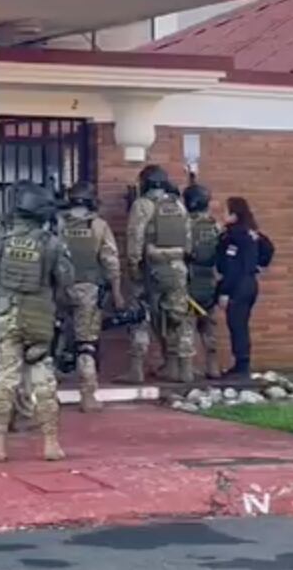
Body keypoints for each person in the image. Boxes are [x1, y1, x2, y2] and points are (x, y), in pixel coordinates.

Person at [0, 181, 75, 462]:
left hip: (6, 315)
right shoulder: (52, 243)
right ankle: (51, 443)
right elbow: (66, 283)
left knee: (3, 380)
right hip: (39, 317)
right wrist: (58, 311)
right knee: (43, 380)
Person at [58, 181, 125, 412]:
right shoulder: (98, 226)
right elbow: (111, 262)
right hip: (88, 290)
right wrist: (117, 293)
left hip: (59, 290)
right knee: (86, 344)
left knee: (52, 340)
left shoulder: (57, 223)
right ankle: (87, 396)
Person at [125, 165, 196, 384]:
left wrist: (133, 266)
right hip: (177, 269)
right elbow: (188, 239)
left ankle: (136, 370)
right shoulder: (178, 205)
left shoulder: (143, 205)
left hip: (151, 268)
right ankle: (183, 369)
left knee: (140, 317)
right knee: (179, 319)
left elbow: (135, 237)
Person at [218, 196, 273, 378]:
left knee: (237, 325)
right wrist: (258, 264)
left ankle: (241, 366)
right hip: (250, 283)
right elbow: (268, 249)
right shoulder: (251, 233)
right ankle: (241, 364)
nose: (223, 215)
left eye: (226, 211)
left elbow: (232, 267)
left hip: (238, 286)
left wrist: (225, 292)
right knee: (241, 324)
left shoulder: (233, 236)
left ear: (234, 215)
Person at [182, 180, 223, 380]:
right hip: (210, 282)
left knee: (186, 327)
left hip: (189, 281)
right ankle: (213, 367)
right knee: (209, 327)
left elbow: (183, 251)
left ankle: (187, 370)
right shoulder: (215, 225)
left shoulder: (185, 225)